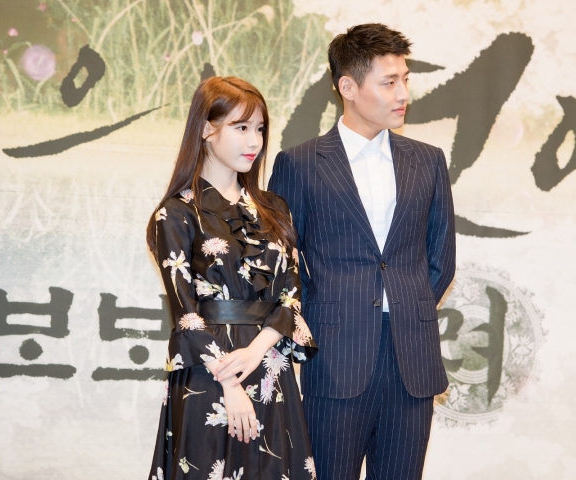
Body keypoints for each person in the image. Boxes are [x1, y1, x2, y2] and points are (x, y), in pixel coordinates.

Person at [269, 23, 456, 480]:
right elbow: (280, 264)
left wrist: (407, 307)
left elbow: (440, 259)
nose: (403, 93)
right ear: (348, 87)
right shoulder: (299, 163)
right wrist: (326, 315)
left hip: (411, 358)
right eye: (389, 82)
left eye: (405, 79)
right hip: (335, 356)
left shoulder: (428, 160)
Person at [145, 76, 318, 480]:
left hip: (269, 367)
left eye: (259, 129)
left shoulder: (274, 208)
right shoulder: (176, 214)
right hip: (209, 375)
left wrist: (256, 353)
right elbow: (185, 315)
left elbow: (290, 295)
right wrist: (230, 385)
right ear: (207, 129)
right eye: (241, 128)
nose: (254, 141)